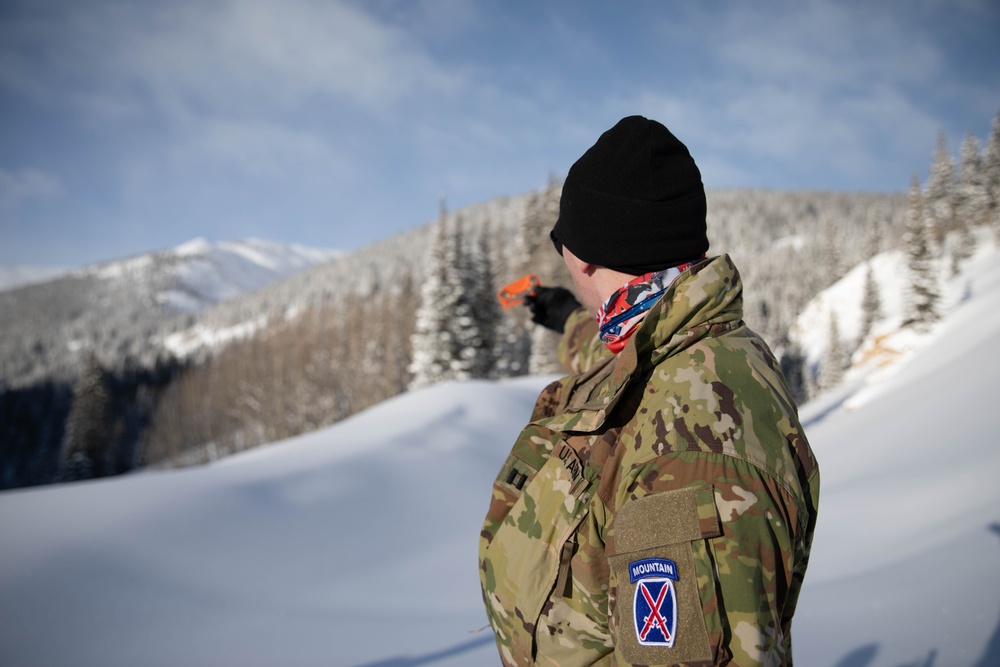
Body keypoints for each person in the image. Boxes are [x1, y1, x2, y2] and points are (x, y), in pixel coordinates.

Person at [478, 115, 819, 666]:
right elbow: (629, 375)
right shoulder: (682, 341)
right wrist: (568, 316)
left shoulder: (689, 453)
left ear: (584, 255)